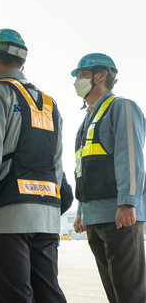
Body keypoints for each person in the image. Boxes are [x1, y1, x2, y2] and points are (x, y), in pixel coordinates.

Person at [0, 28, 67, 303]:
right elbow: (57, 164)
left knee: (14, 295)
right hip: (46, 216)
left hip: (6, 215)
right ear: (22, 63)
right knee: (49, 293)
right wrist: (52, 208)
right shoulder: (50, 103)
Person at [71, 53, 146, 303]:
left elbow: (131, 156)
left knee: (130, 292)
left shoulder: (121, 107)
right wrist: (81, 209)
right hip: (95, 217)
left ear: (100, 76)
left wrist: (127, 202)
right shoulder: (86, 120)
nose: (77, 81)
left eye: (81, 75)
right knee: (114, 292)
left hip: (119, 215)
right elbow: (83, 167)